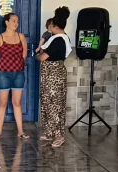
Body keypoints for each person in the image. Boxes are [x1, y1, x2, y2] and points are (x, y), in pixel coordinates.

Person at [0, 12, 30, 140]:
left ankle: (20, 131)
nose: (16, 23)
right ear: (6, 22)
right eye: (13, 21)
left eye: (17, 21)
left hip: (18, 74)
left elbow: (24, 54)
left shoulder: (21, 37)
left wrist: (15, 65)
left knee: (17, 102)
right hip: (3, 75)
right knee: (2, 103)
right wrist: (1, 69)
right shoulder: (0, 38)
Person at [37, 7, 72, 148]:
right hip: (51, 75)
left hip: (53, 76)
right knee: (48, 102)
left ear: (54, 25)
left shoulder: (58, 40)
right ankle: (49, 132)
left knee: (54, 104)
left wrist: (37, 55)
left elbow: (42, 57)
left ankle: (59, 135)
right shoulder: (61, 38)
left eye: (50, 26)